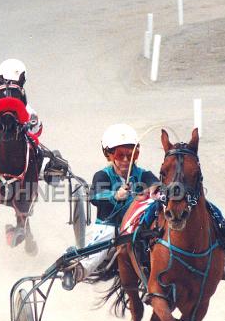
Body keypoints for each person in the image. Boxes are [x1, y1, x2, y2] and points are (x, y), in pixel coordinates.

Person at [62, 124, 159, 290]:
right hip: (109, 228)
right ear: (109, 155)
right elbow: (95, 196)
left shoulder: (145, 174)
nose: (126, 160)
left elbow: (157, 186)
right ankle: (77, 270)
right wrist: (115, 195)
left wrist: (156, 190)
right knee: (102, 243)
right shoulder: (102, 176)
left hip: (136, 228)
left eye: (131, 155)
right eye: (120, 155)